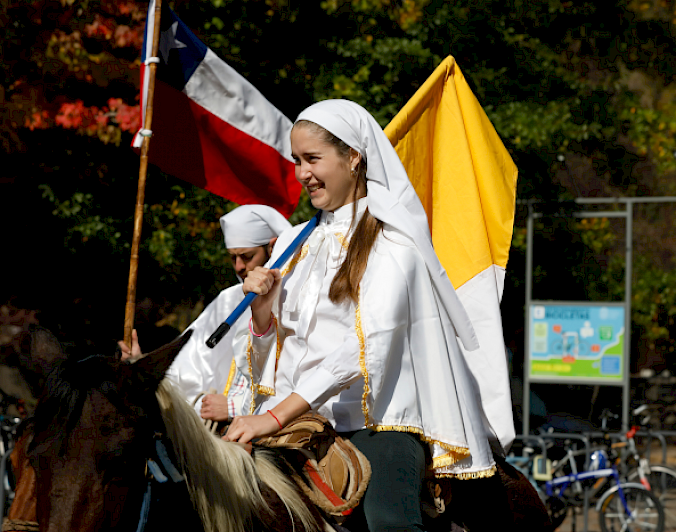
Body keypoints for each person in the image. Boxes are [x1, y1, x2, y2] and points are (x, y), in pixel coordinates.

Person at [223, 99, 512, 531]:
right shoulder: (291, 245)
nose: (302, 173)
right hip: (296, 423)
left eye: (313, 159)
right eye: (297, 160)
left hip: (377, 424)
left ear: (354, 158)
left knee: (389, 522)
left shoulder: (395, 245)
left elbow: (365, 345)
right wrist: (262, 313)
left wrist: (274, 417)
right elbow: (273, 355)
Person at [119, 204, 291, 422]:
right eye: (232, 258)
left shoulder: (297, 296)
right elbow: (187, 369)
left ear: (272, 247)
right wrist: (142, 369)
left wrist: (236, 407)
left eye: (247, 256)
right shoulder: (228, 300)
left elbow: (306, 373)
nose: (238, 266)